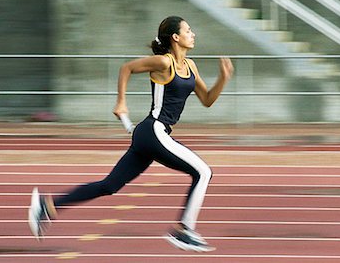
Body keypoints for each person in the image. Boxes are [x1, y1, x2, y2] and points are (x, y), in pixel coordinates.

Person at [28, 16, 234, 252]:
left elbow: (207, 99)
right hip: (153, 130)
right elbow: (127, 68)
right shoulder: (163, 63)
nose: (193, 34)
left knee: (109, 186)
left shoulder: (190, 66)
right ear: (176, 37)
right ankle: (184, 229)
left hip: (152, 135)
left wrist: (223, 79)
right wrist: (121, 102)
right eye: (189, 30)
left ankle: (48, 205)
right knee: (203, 172)